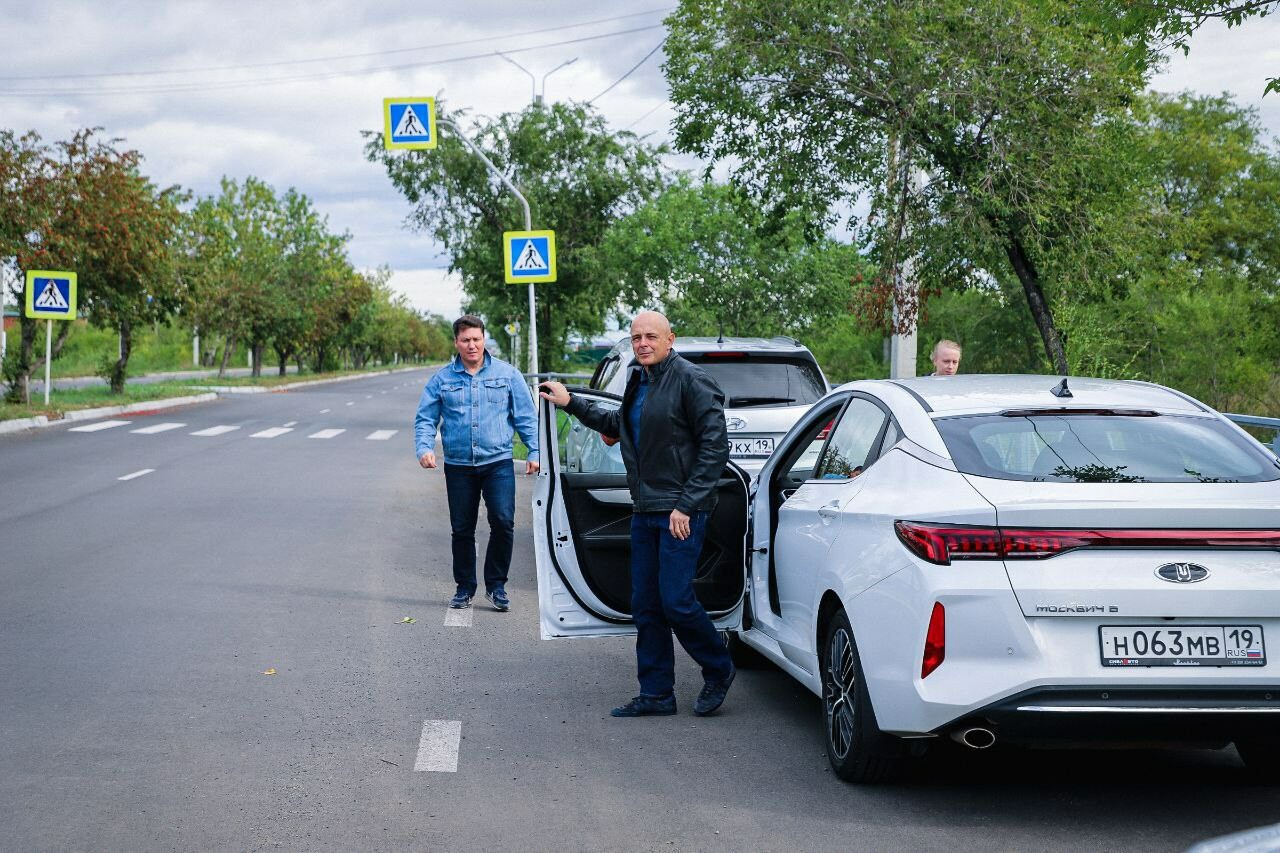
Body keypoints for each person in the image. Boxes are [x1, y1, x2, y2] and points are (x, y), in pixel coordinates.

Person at [539, 311, 736, 718]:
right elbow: (620, 424)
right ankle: (657, 694)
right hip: (645, 508)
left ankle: (719, 667)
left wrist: (686, 503)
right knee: (645, 604)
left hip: (682, 511)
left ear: (670, 339)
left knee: (676, 601)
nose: (642, 343)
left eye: (650, 336)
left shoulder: (693, 381)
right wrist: (572, 403)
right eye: (636, 337)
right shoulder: (638, 379)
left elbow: (716, 449)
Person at [415, 315, 539, 612]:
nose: (472, 345)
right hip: (458, 466)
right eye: (465, 340)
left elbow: (526, 416)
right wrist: (424, 448)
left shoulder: (508, 375)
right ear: (456, 342)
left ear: (485, 339)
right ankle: (464, 588)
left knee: (503, 521)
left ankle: (496, 586)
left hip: (498, 463)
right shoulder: (442, 379)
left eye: (476, 339)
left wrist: (534, 451)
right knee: (462, 529)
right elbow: (426, 418)